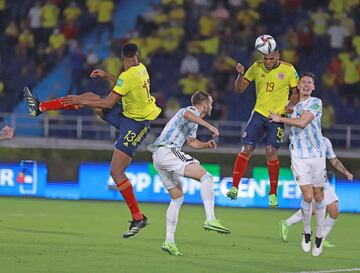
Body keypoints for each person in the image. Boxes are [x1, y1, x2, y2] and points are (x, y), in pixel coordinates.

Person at [24, 43, 161, 239]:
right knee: (87, 96)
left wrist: (82, 102)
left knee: (116, 171)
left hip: (137, 124)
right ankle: (40, 107)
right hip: (127, 114)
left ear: (123, 57)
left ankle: (138, 217)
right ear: (137, 55)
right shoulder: (140, 69)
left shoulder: (127, 75)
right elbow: (126, 84)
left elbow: (108, 103)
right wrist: (107, 77)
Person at [149, 91, 230, 256]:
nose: (212, 105)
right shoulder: (190, 110)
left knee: (177, 198)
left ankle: (169, 242)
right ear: (205, 104)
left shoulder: (193, 121)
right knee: (207, 177)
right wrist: (209, 126)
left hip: (159, 155)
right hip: (168, 151)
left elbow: (191, 142)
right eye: (211, 102)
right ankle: (210, 219)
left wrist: (206, 145)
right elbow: (187, 114)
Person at [227, 48, 300, 207]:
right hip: (259, 113)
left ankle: (273, 193)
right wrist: (240, 75)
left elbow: (296, 93)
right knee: (246, 148)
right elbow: (239, 89)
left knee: (270, 151)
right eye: (266, 59)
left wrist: (290, 105)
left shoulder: (289, 69)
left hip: (277, 116)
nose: (268, 62)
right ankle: (234, 187)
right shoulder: (256, 66)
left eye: (271, 59)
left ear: (278, 56)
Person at [269, 72, 326, 257]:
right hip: (298, 156)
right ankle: (307, 233)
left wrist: (281, 118)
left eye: (310, 82)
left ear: (313, 87)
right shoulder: (289, 105)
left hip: (317, 155)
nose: (307, 85)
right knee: (307, 196)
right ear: (298, 86)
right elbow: (285, 110)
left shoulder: (316, 102)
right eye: (303, 82)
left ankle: (320, 236)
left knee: (319, 196)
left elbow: (302, 122)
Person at [279, 136, 353, 247]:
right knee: (313, 208)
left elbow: (333, 160)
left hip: (321, 179)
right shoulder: (301, 139)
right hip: (307, 178)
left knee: (334, 209)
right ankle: (287, 224)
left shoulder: (325, 142)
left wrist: (346, 172)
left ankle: (321, 237)